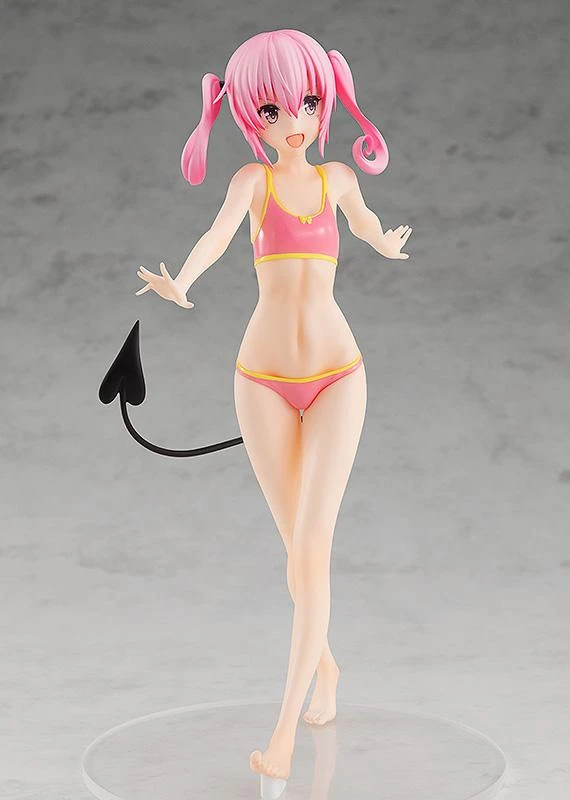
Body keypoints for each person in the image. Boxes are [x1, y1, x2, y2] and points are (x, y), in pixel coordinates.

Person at [135, 28, 412, 797]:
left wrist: (385, 243)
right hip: (259, 381)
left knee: (313, 546)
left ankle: (283, 735)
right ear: (249, 118)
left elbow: (366, 226)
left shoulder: (337, 180)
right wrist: (183, 281)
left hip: (337, 377)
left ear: (325, 104)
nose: (295, 121)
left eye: (308, 103)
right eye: (272, 109)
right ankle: (329, 669)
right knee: (296, 549)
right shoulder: (251, 184)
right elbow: (216, 235)